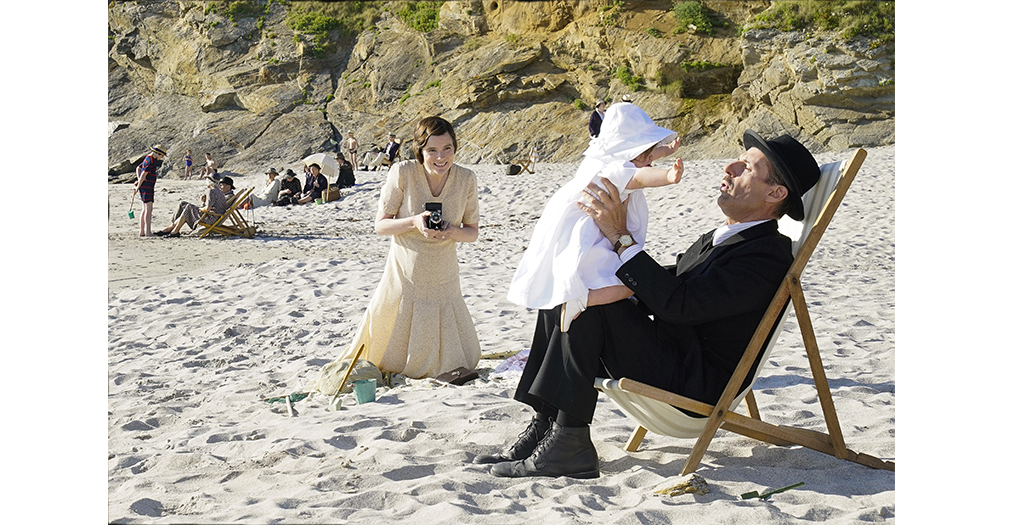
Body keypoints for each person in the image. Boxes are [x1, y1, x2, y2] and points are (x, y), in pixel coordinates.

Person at [477, 129, 822, 480]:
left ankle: (570, 442)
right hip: (674, 357)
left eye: (747, 167)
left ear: (775, 193)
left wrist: (620, 237)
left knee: (591, 308)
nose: (729, 167)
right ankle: (546, 425)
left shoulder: (766, 256)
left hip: (693, 382)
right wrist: (593, 280)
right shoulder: (724, 239)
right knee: (567, 291)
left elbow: (680, 305)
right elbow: (673, 286)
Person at [508, 102, 683, 332]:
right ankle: (581, 301)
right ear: (631, 151)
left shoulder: (603, 157)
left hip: (584, 229)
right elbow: (642, 176)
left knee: (617, 279)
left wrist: (668, 150)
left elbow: (644, 158)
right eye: (647, 151)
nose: (652, 156)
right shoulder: (619, 170)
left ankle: (587, 299)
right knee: (630, 283)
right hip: (594, 236)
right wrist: (669, 175)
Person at [336, 116, 481, 379]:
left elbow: (472, 233)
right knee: (390, 356)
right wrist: (414, 221)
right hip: (404, 275)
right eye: (432, 150)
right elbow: (380, 226)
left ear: (455, 148)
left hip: (444, 275)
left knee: (464, 359)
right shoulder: (403, 172)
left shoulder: (466, 179)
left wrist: (452, 231)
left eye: (447, 148)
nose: (441, 157)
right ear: (420, 150)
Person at [154, 177, 235, 237]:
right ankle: (172, 227)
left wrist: (201, 207)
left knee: (188, 207)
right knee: (185, 206)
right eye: (219, 185)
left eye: (222, 185)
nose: (220, 186)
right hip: (214, 216)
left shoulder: (224, 195)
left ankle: (174, 230)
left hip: (212, 218)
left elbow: (209, 208)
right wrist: (205, 201)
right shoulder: (220, 193)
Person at [134, 144, 166, 237]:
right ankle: (148, 232)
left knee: (144, 209)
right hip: (147, 187)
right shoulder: (150, 161)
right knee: (148, 209)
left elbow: (138, 168)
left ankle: (142, 232)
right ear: (157, 153)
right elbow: (144, 173)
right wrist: (138, 185)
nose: (161, 157)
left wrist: (138, 180)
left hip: (146, 186)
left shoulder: (147, 158)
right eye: (161, 155)